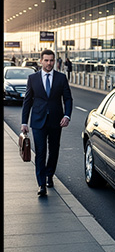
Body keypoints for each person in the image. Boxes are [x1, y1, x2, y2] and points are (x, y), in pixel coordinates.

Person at [21, 49, 73, 196]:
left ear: (54, 61)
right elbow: (27, 101)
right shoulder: (33, 78)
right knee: (40, 152)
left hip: (57, 121)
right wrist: (24, 122)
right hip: (38, 121)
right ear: (41, 61)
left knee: (54, 150)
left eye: (51, 60)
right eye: (46, 60)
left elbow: (68, 99)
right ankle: (41, 184)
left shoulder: (61, 78)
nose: (49, 63)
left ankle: (50, 174)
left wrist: (67, 115)